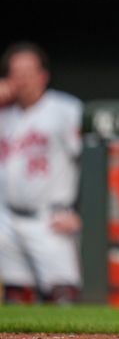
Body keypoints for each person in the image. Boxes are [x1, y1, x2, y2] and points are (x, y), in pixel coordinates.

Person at [0, 42, 83, 304]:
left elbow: (95, 162)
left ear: (43, 76)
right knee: (14, 295)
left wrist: (82, 212)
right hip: (6, 217)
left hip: (51, 216)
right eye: (16, 73)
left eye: (28, 72)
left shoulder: (66, 109)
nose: (22, 80)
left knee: (62, 295)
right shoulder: (3, 113)